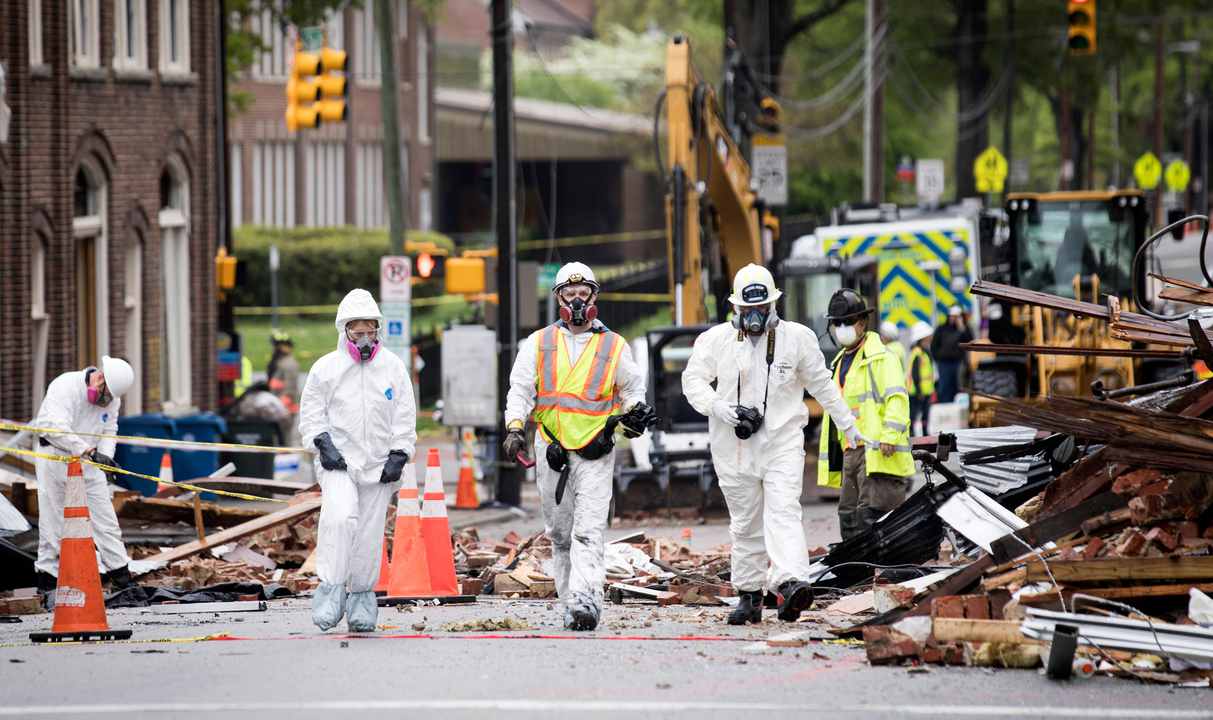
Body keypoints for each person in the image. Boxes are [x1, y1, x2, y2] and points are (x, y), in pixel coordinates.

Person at [683, 264, 863, 625]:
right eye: (747, 311)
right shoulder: (715, 341)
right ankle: (749, 596)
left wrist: (848, 424)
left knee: (783, 512)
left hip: (781, 441)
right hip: (733, 447)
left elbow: (822, 385)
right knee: (746, 524)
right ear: (735, 309)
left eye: (760, 309)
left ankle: (791, 583)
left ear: (773, 306)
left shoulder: (796, 339)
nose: (754, 317)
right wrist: (720, 407)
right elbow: (693, 381)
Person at [502, 262, 655, 631]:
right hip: (552, 450)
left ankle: (586, 600)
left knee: (588, 529)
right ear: (558, 299)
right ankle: (569, 600)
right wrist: (515, 427)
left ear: (594, 297)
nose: (576, 300)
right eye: (569, 294)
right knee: (560, 533)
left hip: (595, 450)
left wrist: (634, 414)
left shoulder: (613, 345)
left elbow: (632, 390)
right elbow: (521, 389)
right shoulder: (538, 343)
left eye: (583, 293)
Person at [299, 289, 416, 633]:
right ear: (344, 331)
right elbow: (311, 413)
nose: (364, 340)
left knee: (368, 533)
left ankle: (362, 597)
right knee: (339, 517)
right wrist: (322, 444)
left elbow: (404, 414)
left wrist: (400, 452)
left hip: (379, 465)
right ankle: (331, 589)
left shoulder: (392, 367)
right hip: (340, 463)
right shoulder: (327, 369)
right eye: (357, 332)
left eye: (370, 331)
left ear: (378, 331)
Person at [31, 356, 137, 603]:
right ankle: (49, 577)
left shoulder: (113, 397)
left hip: (89, 460)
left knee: (104, 517)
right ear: (98, 377)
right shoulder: (65, 386)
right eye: (104, 394)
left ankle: (120, 574)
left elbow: (109, 429)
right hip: (55, 457)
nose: (105, 401)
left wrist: (106, 459)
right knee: (53, 518)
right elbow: (53, 427)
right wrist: (88, 450)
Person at [818, 289, 914, 541]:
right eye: (836, 323)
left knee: (872, 518)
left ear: (862, 323)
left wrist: (890, 436)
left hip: (877, 451)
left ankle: (885, 575)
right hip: (851, 450)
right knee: (849, 518)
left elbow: (897, 398)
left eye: (846, 322)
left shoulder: (882, 358)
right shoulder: (840, 361)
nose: (841, 328)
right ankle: (858, 576)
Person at [930, 306, 972, 403]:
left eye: (956, 316)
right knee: (945, 387)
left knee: (959, 386)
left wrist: (962, 327)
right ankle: (945, 405)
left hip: (958, 363)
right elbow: (934, 346)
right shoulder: (941, 329)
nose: (953, 318)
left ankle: (959, 406)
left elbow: (970, 341)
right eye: (952, 316)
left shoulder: (963, 329)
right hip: (944, 364)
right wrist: (938, 358)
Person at [907, 321, 935, 436]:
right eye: (927, 338)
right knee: (913, 414)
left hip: (926, 390)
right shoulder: (917, 353)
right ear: (921, 339)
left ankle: (924, 432)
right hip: (917, 391)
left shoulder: (925, 353)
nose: (929, 340)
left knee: (925, 414)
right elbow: (915, 374)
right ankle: (911, 432)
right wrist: (919, 391)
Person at [267, 329, 301, 413]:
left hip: (284, 408)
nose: (274, 349)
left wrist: (282, 404)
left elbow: (290, 387)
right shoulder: (279, 362)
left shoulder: (289, 364)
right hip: (276, 403)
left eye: (276, 346)